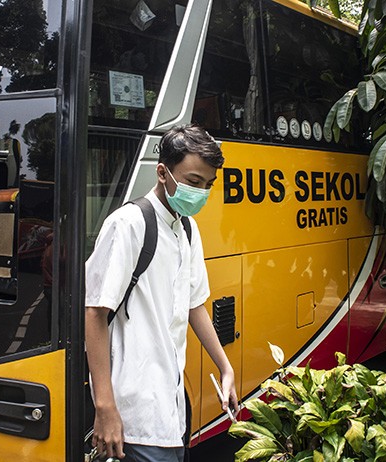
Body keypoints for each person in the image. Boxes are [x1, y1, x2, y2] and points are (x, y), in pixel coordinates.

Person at [85, 124, 239, 462]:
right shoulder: (128, 224)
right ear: (162, 172)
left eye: (208, 185)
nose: (200, 193)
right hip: (132, 414)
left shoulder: (187, 226)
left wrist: (225, 367)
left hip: (171, 404)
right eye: (193, 182)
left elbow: (194, 304)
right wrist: (105, 407)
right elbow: (94, 313)